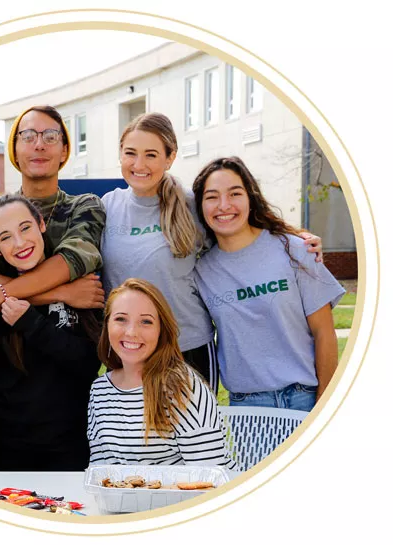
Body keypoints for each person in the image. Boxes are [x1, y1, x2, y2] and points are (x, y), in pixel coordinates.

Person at [101, 113, 323, 394]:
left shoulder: (192, 205)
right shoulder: (107, 207)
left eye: (151, 155)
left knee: (194, 437)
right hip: (128, 347)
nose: (139, 164)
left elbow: (245, 224)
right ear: (120, 155)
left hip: (187, 349)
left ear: (170, 158)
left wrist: (298, 237)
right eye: (130, 153)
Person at [192, 157, 345, 411]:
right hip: (245, 408)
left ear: (250, 198)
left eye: (235, 193)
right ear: (199, 206)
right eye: (211, 197)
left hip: (303, 399)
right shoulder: (201, 271)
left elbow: (325, 333)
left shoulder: (296, 249)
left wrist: (325, 404)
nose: (224, 205)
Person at [0, 194, 101, 471]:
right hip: (12, 453)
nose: (19, 243)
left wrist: (31, 322)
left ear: (41, 224)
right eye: (5, 237)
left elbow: (88, 364)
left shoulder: (80, 287)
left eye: (25, 228)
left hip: (72, 448)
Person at [0, 105, 106, 335]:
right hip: (5, 354)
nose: (39, 145)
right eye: (28, 137)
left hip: (71, 351)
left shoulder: (84, 207)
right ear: (15, 151)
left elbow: (71, 261)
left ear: (64, 151)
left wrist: (1, 295)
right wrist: (64, 293)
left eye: (50, 137)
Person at [88, 278, 235, 467]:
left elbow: (209, 475)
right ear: (107, 324)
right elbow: (100, 470)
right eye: (121, 319)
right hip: (125, 496)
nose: (132, 332)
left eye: (146, 321)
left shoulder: (182, 387)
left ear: (161, 330)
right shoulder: (100, 390)